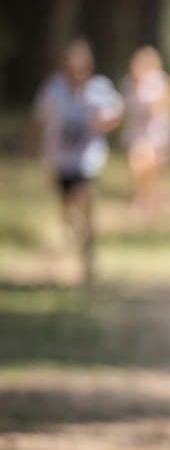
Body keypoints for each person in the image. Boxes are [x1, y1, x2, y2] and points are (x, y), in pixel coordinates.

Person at [29, 38, 123, 285]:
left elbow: (117, 112)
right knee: (68, 213)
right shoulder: (53, 90)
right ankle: (77, 240)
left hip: (87, 160)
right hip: (60, 161)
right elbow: (38, 120)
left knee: (86, 198)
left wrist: (104, 122)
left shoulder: (99, 89)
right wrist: (31, 148)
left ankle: (88, 259)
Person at [121, 46, 170, 219]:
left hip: (158, 133)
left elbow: (168, 104)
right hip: (138, 134)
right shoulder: (128, 83)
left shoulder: (159, 82)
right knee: (137, 166)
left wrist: (153, 106)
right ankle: (138, 200)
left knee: (155, 172)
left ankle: (154, 201)